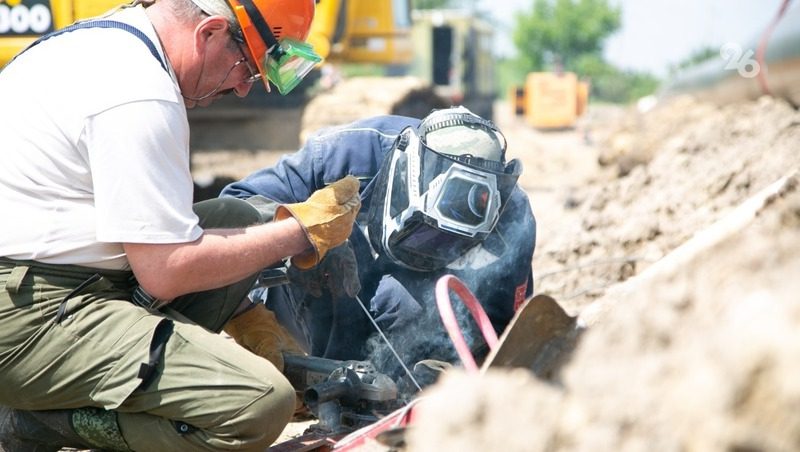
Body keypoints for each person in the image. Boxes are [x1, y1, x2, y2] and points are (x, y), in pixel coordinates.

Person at [0, 0, 360, 450]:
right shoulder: (138, 92)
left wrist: (246, 315)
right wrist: (301, 232)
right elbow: (166, 271)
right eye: (247, 65)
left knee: (238, 217)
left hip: (50, 278)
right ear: (208, 32)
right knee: (262, 405)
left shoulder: (113, 41)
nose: (244, 88)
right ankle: (33, 421)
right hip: (26, 315)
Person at [221, 106, 536, 383]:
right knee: (338, 250)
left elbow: (502, 326)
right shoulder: (348, 154)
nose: (434, 250)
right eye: (426, 235)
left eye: (451, 245)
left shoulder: (511, 219)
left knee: (403, 301)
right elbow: (232, 208)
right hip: (295, 304)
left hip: (409, 322)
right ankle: (329, 378)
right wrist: (301, 237)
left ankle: (392, 380)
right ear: (406, 182)